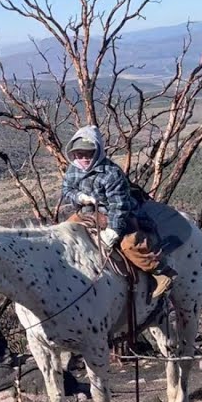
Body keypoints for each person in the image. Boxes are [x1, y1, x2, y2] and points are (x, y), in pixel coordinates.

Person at [61, 125, 176, 298]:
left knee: (129, 245)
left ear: (97, 152)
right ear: (73, 154)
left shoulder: (111, 173)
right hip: (88, 212)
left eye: (89, 153)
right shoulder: (73, 169)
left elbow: (119, 206)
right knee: (64, 232)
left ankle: (160, 272)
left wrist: (114, 231)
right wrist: (79, 197)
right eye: (80, 154)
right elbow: (67, 189)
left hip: (115, 213)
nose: (84, 158)